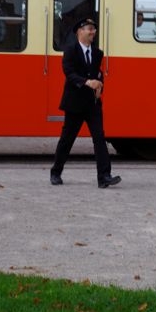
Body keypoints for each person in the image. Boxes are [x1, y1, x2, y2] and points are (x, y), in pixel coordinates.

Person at [50, 17, 121, 189]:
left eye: (94, 29)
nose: (93, 32)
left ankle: (104, 177)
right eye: (89, 29)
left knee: (99, 138)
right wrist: (87, 82)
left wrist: (99, 85)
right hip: (74, 103)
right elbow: (69, 73)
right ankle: (56, 172)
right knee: (67, 139)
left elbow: (97, 74)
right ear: (79, 32)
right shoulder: (70, 50)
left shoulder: (97, 53)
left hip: (92, 103)